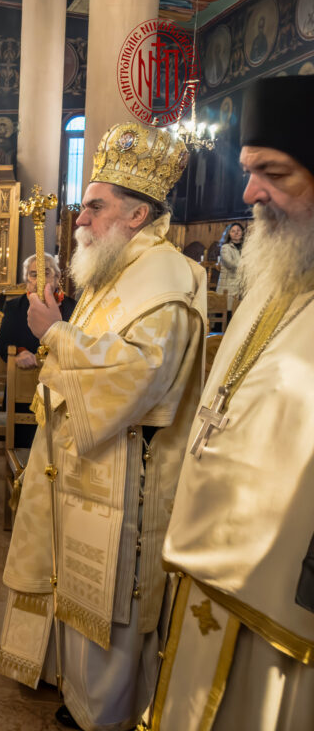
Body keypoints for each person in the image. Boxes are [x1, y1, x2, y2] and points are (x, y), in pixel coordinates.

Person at [0, 122, 207, 731]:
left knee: (111, 606)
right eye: (84, 207)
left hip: (125, 475)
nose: (80, 220)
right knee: (76, 590)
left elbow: (139, 377)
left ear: (136, 214)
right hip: (83, 462)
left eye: (94, 207)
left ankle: (107, 718)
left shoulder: (164, 282)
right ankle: (81, 700)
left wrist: (54, 335)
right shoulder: (115, 269)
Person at [155, 75, 314, 731]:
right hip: (209, 579)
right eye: (250, 172)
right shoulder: (277, 279)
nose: (249, 194)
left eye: (273, 173)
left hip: (284, 612)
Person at [0, 253, 77, 448]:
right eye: (33, 275)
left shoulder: (72, 308)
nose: (39, 280)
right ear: (26, 280)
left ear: (57, 278)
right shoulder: (14, 307)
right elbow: (3, 342)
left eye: (46, 274)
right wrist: (19, 353)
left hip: (64, 395)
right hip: (23, 394)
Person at [216, 221, 245, 311]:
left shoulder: (246, 247)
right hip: (228, 286)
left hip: (241, 285)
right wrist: (247, 265)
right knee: (227, 313)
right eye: (233, 231)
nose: (236, 232)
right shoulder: (225, 248)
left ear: (242, 232)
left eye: (238, 230)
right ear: (229, 234)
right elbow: (230, 263)